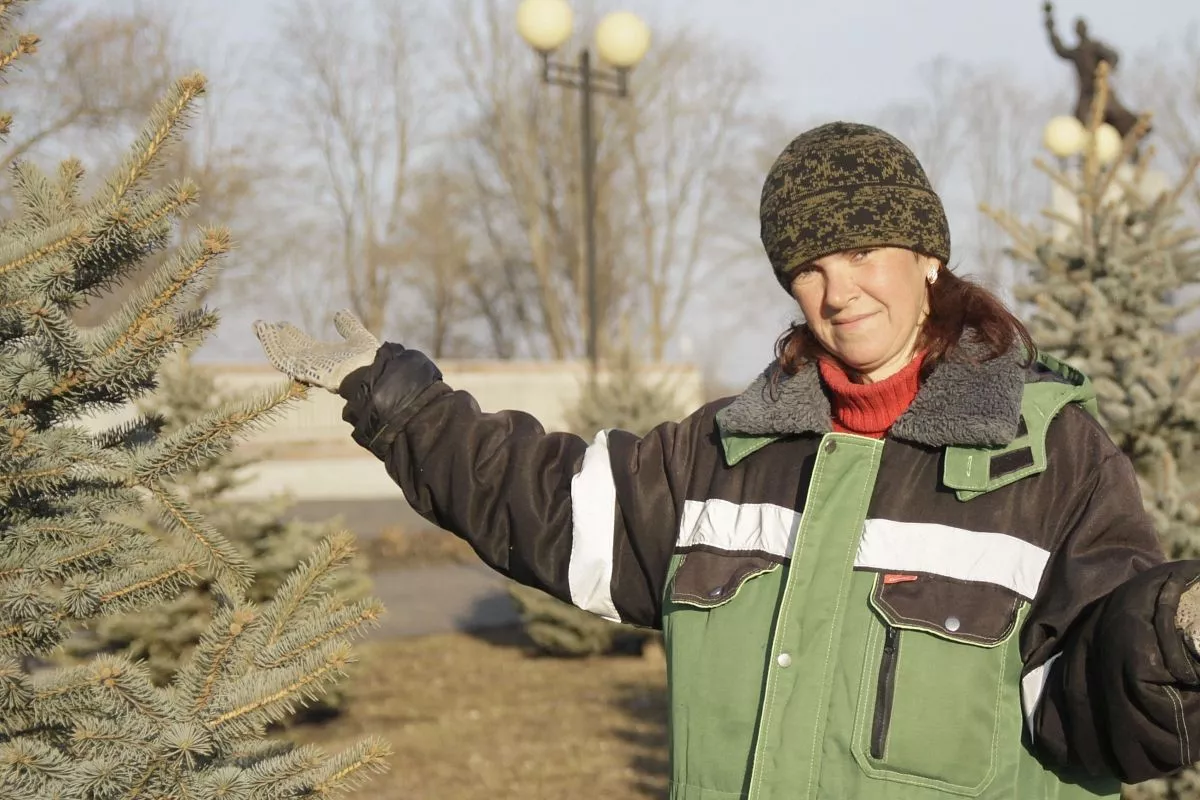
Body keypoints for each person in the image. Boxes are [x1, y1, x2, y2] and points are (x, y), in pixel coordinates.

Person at [253, 121, 1200, 799]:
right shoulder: (727, 449)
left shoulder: (1046, 454)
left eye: (866, 251)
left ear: (927, 259)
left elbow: (1095, 703)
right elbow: (545, 502)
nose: (840, 291)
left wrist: (1171, 633)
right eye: (810, 267)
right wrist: (399, 404)